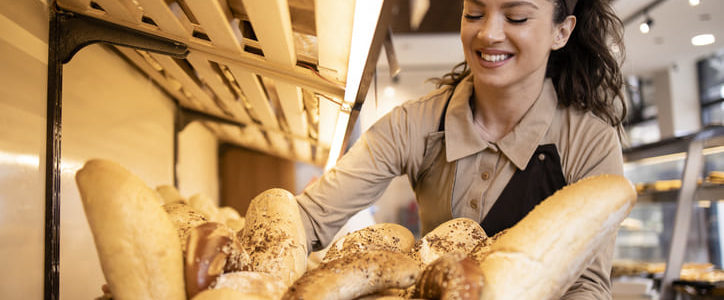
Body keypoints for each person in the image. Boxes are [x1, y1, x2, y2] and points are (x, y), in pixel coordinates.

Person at [297, 0, 626, 298]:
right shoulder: (414, 123)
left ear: (561, 32)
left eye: (516, 17)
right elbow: (309, 218)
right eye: (475, 13)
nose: (488, 33)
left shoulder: (589, 140)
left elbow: (587, 285)